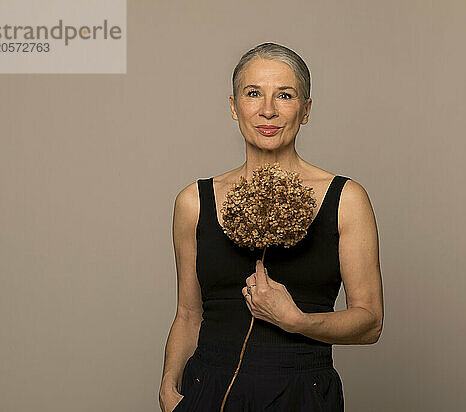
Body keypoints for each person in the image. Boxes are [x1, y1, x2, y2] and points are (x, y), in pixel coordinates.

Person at [159, 42, 383, 411]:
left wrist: (296, 320)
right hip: (208, 391)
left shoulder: (346, 199)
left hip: (302, 392)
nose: (267, 110)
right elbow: (188, 314)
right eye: (253, 94)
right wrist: (169, 387)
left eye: (285, 95)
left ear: (306, 110)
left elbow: (370, 323)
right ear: (234, 106)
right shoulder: (193, 202)